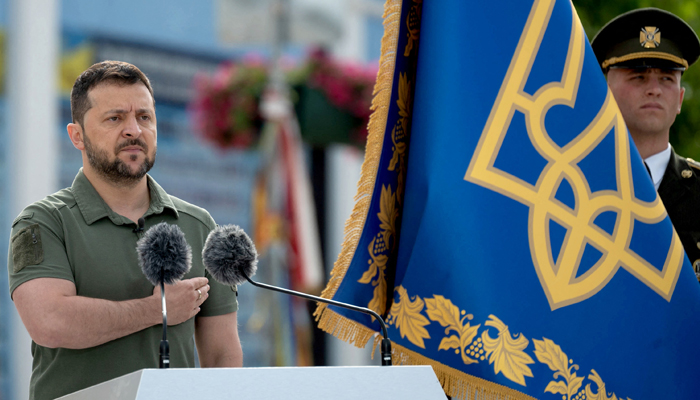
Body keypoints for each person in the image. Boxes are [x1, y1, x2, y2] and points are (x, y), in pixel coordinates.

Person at [7, 61, 243, 400]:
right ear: (77, 136)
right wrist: (157, 310)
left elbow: (223, 357)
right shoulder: (43, 222)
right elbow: (50, 322)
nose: (134, 130)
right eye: (115, 118)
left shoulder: (199, 224)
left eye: (144, 117)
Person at [591, 8, 700, 279]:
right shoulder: (575, 185)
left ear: (679, 98)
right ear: (605, 94)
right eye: (638, 76)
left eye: (666, 78)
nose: (654, 88)